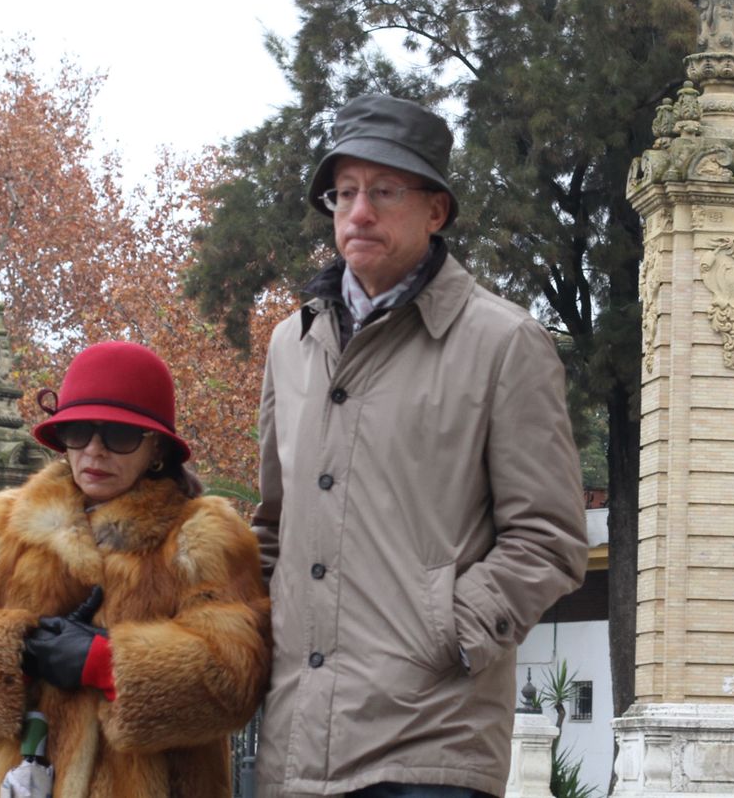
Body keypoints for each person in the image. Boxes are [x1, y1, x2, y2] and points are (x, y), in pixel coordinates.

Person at [252, 94, 589, 798]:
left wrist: (449, 633)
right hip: (296, 742)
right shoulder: (292, 343)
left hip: (433, 744)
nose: (359, 212)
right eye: (344, 193)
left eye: (383, 191)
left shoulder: (504, 344)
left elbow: (551, 537)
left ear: (436, 211)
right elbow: (273, 529)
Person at [0, 341, 271, 798]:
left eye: (119, 436)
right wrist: (15, 652)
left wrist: (107, 664)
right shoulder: (2, 527)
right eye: (79, 431)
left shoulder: (203, 536)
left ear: (156, 446)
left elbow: (237, 677)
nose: (95, 452)